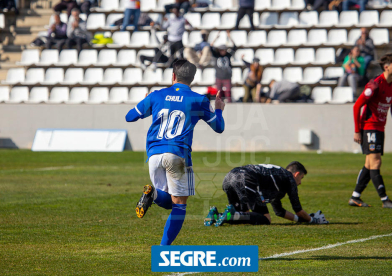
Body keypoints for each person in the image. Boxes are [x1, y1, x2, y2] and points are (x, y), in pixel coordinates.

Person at [125, 59, 225, 246]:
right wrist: (218, 110)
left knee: (170, 201)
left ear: (173, 75)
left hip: (154, 155)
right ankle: (164, 249)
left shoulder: (157, 95)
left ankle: (153, 194)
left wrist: (149, 104)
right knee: (179, 205)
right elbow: (219, 127)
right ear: (192, 79)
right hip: (178, 154)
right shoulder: (198, 99)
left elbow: (129, 117)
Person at [350, 53, 392, 209]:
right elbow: (356, 106)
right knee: (376, 162)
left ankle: (355, 197)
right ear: (386, 67)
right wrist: (357, 131)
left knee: (369, 164)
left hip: (380, 128)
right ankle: (384, 199)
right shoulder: (374, 85)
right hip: (369, 127)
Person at [204, 162, 329, 227]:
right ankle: (225, 215)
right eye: (301, 178)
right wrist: (312, 220)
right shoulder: (289, 179)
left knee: (236, 215)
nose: (300, 182)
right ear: (296, 174)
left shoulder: (278, 179)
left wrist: (299, 220)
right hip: (247, 178)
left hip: (230, 176)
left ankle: (215, 215)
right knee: (265, 219)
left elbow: (279, 211)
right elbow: (298, 209)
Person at [210, 30, 237, 102]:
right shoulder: (216, 55)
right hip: (218, 77)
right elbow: (210, 47)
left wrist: (229, 37)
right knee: (219, 93)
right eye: (221, 50)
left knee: (228, 92)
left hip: (227, 76)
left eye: (224, 50)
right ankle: (219, 106)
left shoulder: (228, 55)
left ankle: (230, 105)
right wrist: (216, 38)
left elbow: (235, 47)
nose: (222, 51)